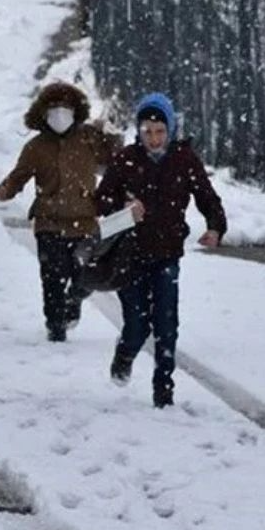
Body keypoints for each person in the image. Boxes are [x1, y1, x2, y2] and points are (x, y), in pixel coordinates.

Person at [95, 92, 227, 408]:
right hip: (130, 255)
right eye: (147, 132)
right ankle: (125, 353)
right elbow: (99, 200)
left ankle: (163, 392)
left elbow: (208, 198)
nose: (153, 139)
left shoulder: (184, 160)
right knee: (138, 326)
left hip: (167, 254)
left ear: (170, 130)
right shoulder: (125, 159)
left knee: (167, 325)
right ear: (138, 131)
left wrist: (215, 227)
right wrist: (124, 207)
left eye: (159, 132)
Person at [0, 82, 120, 342]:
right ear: (43, 113)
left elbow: (115, 160)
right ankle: (55, 325)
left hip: (84, 223)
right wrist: (5, 190)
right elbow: (20, 176)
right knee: (51, 277)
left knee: (81, 275)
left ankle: (73, 302)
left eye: (65, 108)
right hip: (48, 223)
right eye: (54, 109)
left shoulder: (88, 138)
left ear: (76, 111)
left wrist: (111, 134)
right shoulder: (36, 147)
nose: (60, 114)